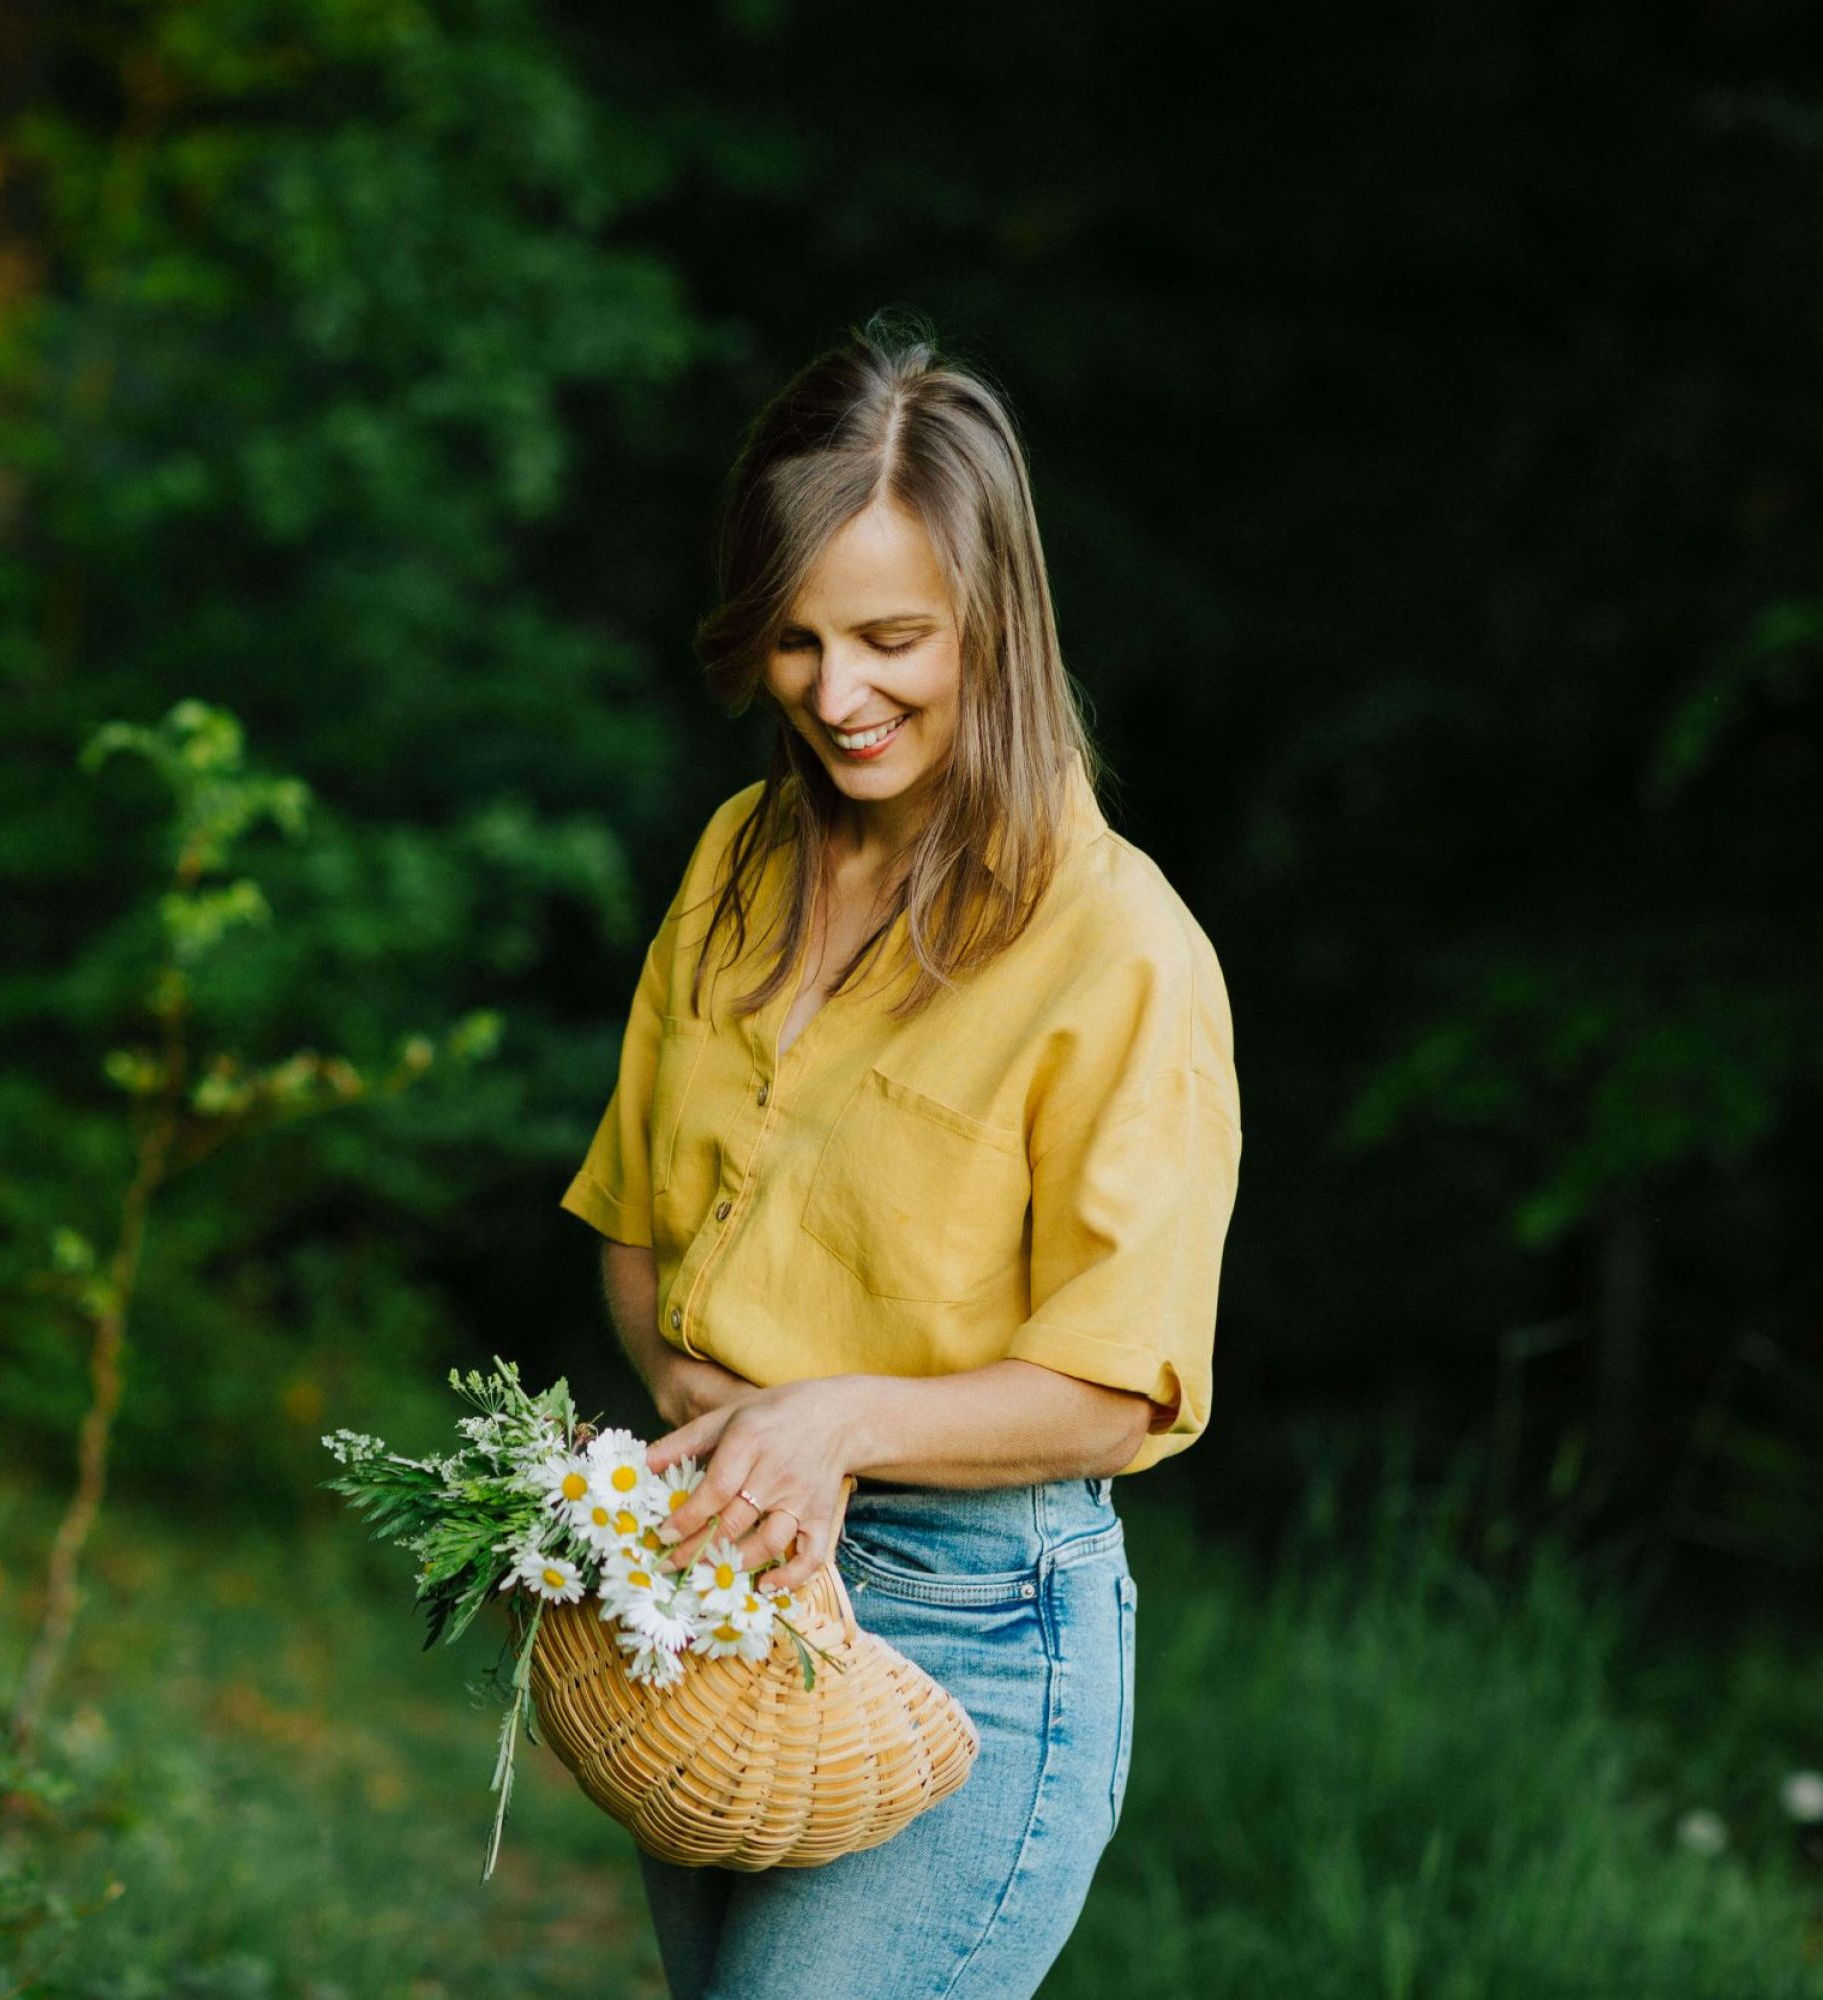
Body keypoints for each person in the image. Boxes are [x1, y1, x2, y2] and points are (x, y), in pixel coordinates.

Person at [559, 312, 1243, 1999]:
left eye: (890, 638)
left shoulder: (1120, 949)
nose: (837, 696)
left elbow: (1123, 1387)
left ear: (992, 621)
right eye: (794, 643)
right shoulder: (741, 859)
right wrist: (721, 1442)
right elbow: (639, 1229)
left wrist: (838, 1423)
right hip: (722, 1598)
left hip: (972, 1637)